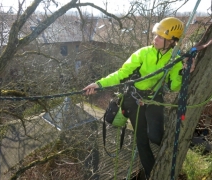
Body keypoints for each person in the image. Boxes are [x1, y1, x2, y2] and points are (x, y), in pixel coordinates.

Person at [83, 17, 195, 179]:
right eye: (155, 35)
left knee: (156, 137)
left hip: (154, 98)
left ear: (171, 41)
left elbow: (174, 86)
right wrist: (99, 84)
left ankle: (162, 160)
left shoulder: (174, 59)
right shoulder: (143, 53)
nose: (155, 39)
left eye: (160, 37)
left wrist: (184, 74)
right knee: (141, 140)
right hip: (134, 100)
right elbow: (121, 74)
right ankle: (152, 174)